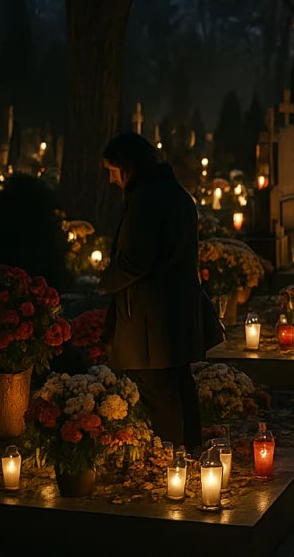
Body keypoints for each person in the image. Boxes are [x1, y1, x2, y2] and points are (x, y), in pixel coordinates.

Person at [100, 132, 213, 448]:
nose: (111, 180)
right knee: (180, 386)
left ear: (127, 166)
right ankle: (191, 454)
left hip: (149, 321)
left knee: (159, 394)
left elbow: (135, 262)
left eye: (112, 170)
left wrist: (102, 282)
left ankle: (173, 462)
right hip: (175, 311)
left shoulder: (146, 199)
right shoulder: (175, 193)